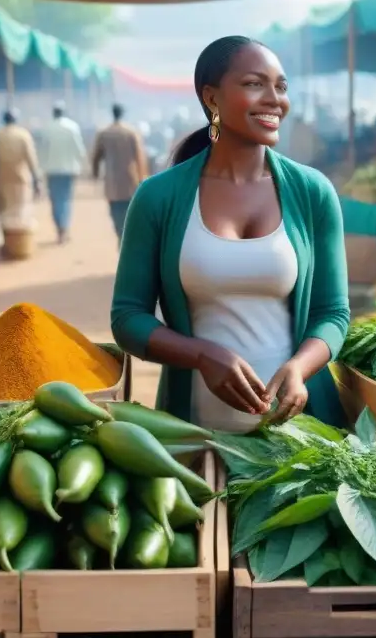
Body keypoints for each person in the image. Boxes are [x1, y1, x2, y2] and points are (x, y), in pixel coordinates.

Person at [110, 36, 350, 433]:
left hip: (302, 437)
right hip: (197, 434)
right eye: (255, 84)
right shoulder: (158, 197)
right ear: (211, 97)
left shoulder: (313, 191)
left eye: (281, 86)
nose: (275, 99)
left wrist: (299, 367)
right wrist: (201, 355)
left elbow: (333, 314)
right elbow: (127, 318)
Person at [91, 104, 148, 241]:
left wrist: (95, 173)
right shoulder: (131, 133)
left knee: (115, 212)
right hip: (130, 180)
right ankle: (126, 237)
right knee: (129, 211)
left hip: (111, 181)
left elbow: (96, 157)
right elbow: (140, 158)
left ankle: (120, 235)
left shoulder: (104, 133)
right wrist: (143, 178)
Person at [39, 101, 87, 243]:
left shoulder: (47, 128)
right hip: (68, 169)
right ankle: (64, 227)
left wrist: (41, 168)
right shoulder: (72, 127)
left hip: (51, 169)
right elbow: (79, 149)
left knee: (55, 199)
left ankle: (59, 226)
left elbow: (42, 150)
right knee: (66, 199)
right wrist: (81, 163)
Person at [0, 109, 42, 233]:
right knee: (20, 212)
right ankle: (19, 244)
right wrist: (37, 179)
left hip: (1, 180)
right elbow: (31, 159)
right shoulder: (23, 135)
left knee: (4, 212)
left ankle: (7, 242)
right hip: (20, 180)